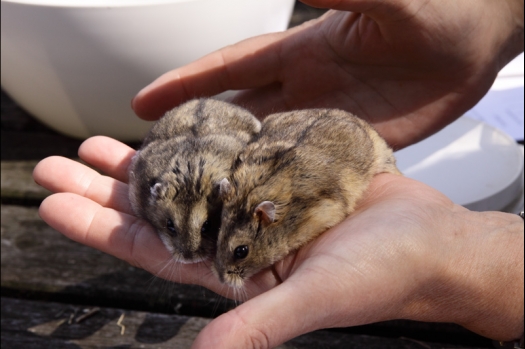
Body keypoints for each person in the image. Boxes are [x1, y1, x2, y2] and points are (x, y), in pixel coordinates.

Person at [33, 0, 524, 348]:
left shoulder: (287, 207)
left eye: (215, 231)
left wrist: (475, 264)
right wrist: (500, 15)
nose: (198, 255)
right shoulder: (174, 180)